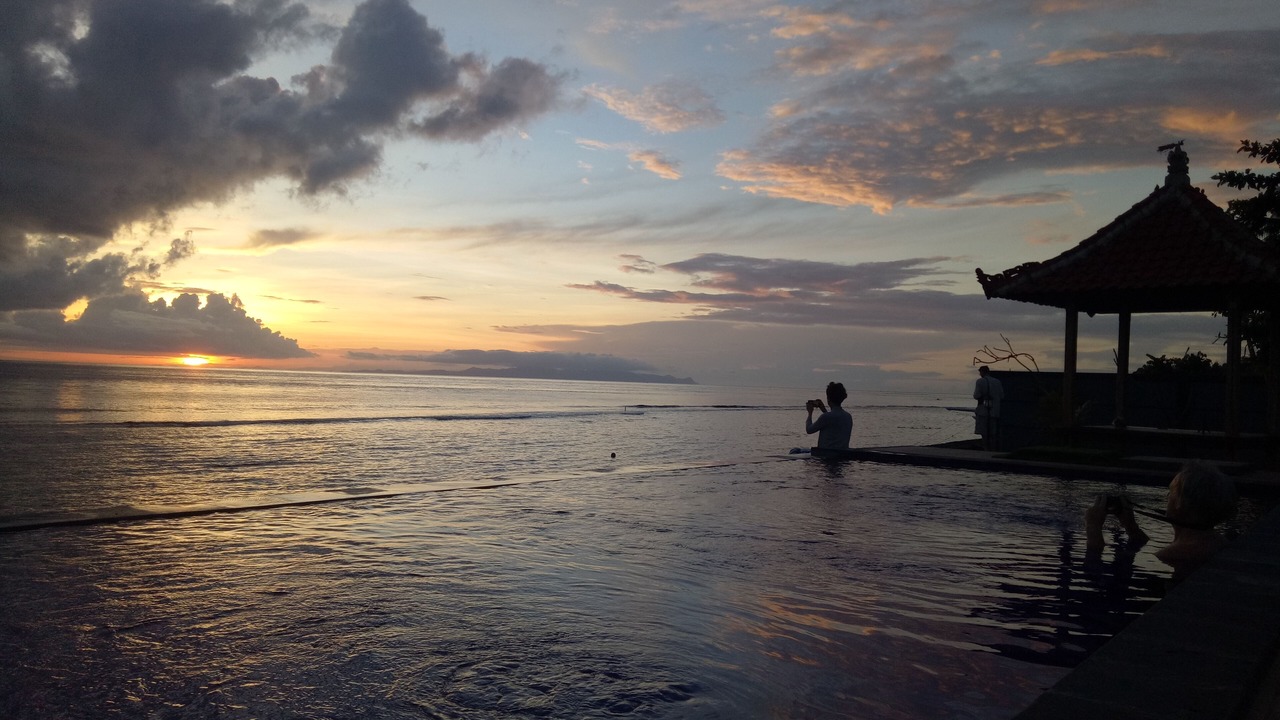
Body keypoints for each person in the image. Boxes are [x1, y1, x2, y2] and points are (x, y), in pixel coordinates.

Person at [1085, 460, 1237, 582]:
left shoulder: (1172, 555)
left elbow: (1097, 573)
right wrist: (1130, 525)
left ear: (1180, 503)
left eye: (1171, 492)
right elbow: (1137, 547)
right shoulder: (1218, 542)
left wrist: (1093, 528)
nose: (1166, 497)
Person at [805, 382, 853, 451]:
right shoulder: (848, 416)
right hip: (842, 453)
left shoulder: (826, 417)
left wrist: (810, 413)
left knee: (794, 450)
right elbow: (833, 422)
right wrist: (824, 410)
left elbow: (809, 430)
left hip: (825, 455)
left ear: (828, 398)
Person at [973, 366, 1004, 450]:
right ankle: (993, 449)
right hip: (995, 411)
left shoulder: (980, 381)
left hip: (983, 410)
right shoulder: (997, 382)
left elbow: (976, 395)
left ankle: (986, 449)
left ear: (982, 372)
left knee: (984, 432)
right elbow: (1002, 396)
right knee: (993, 432)